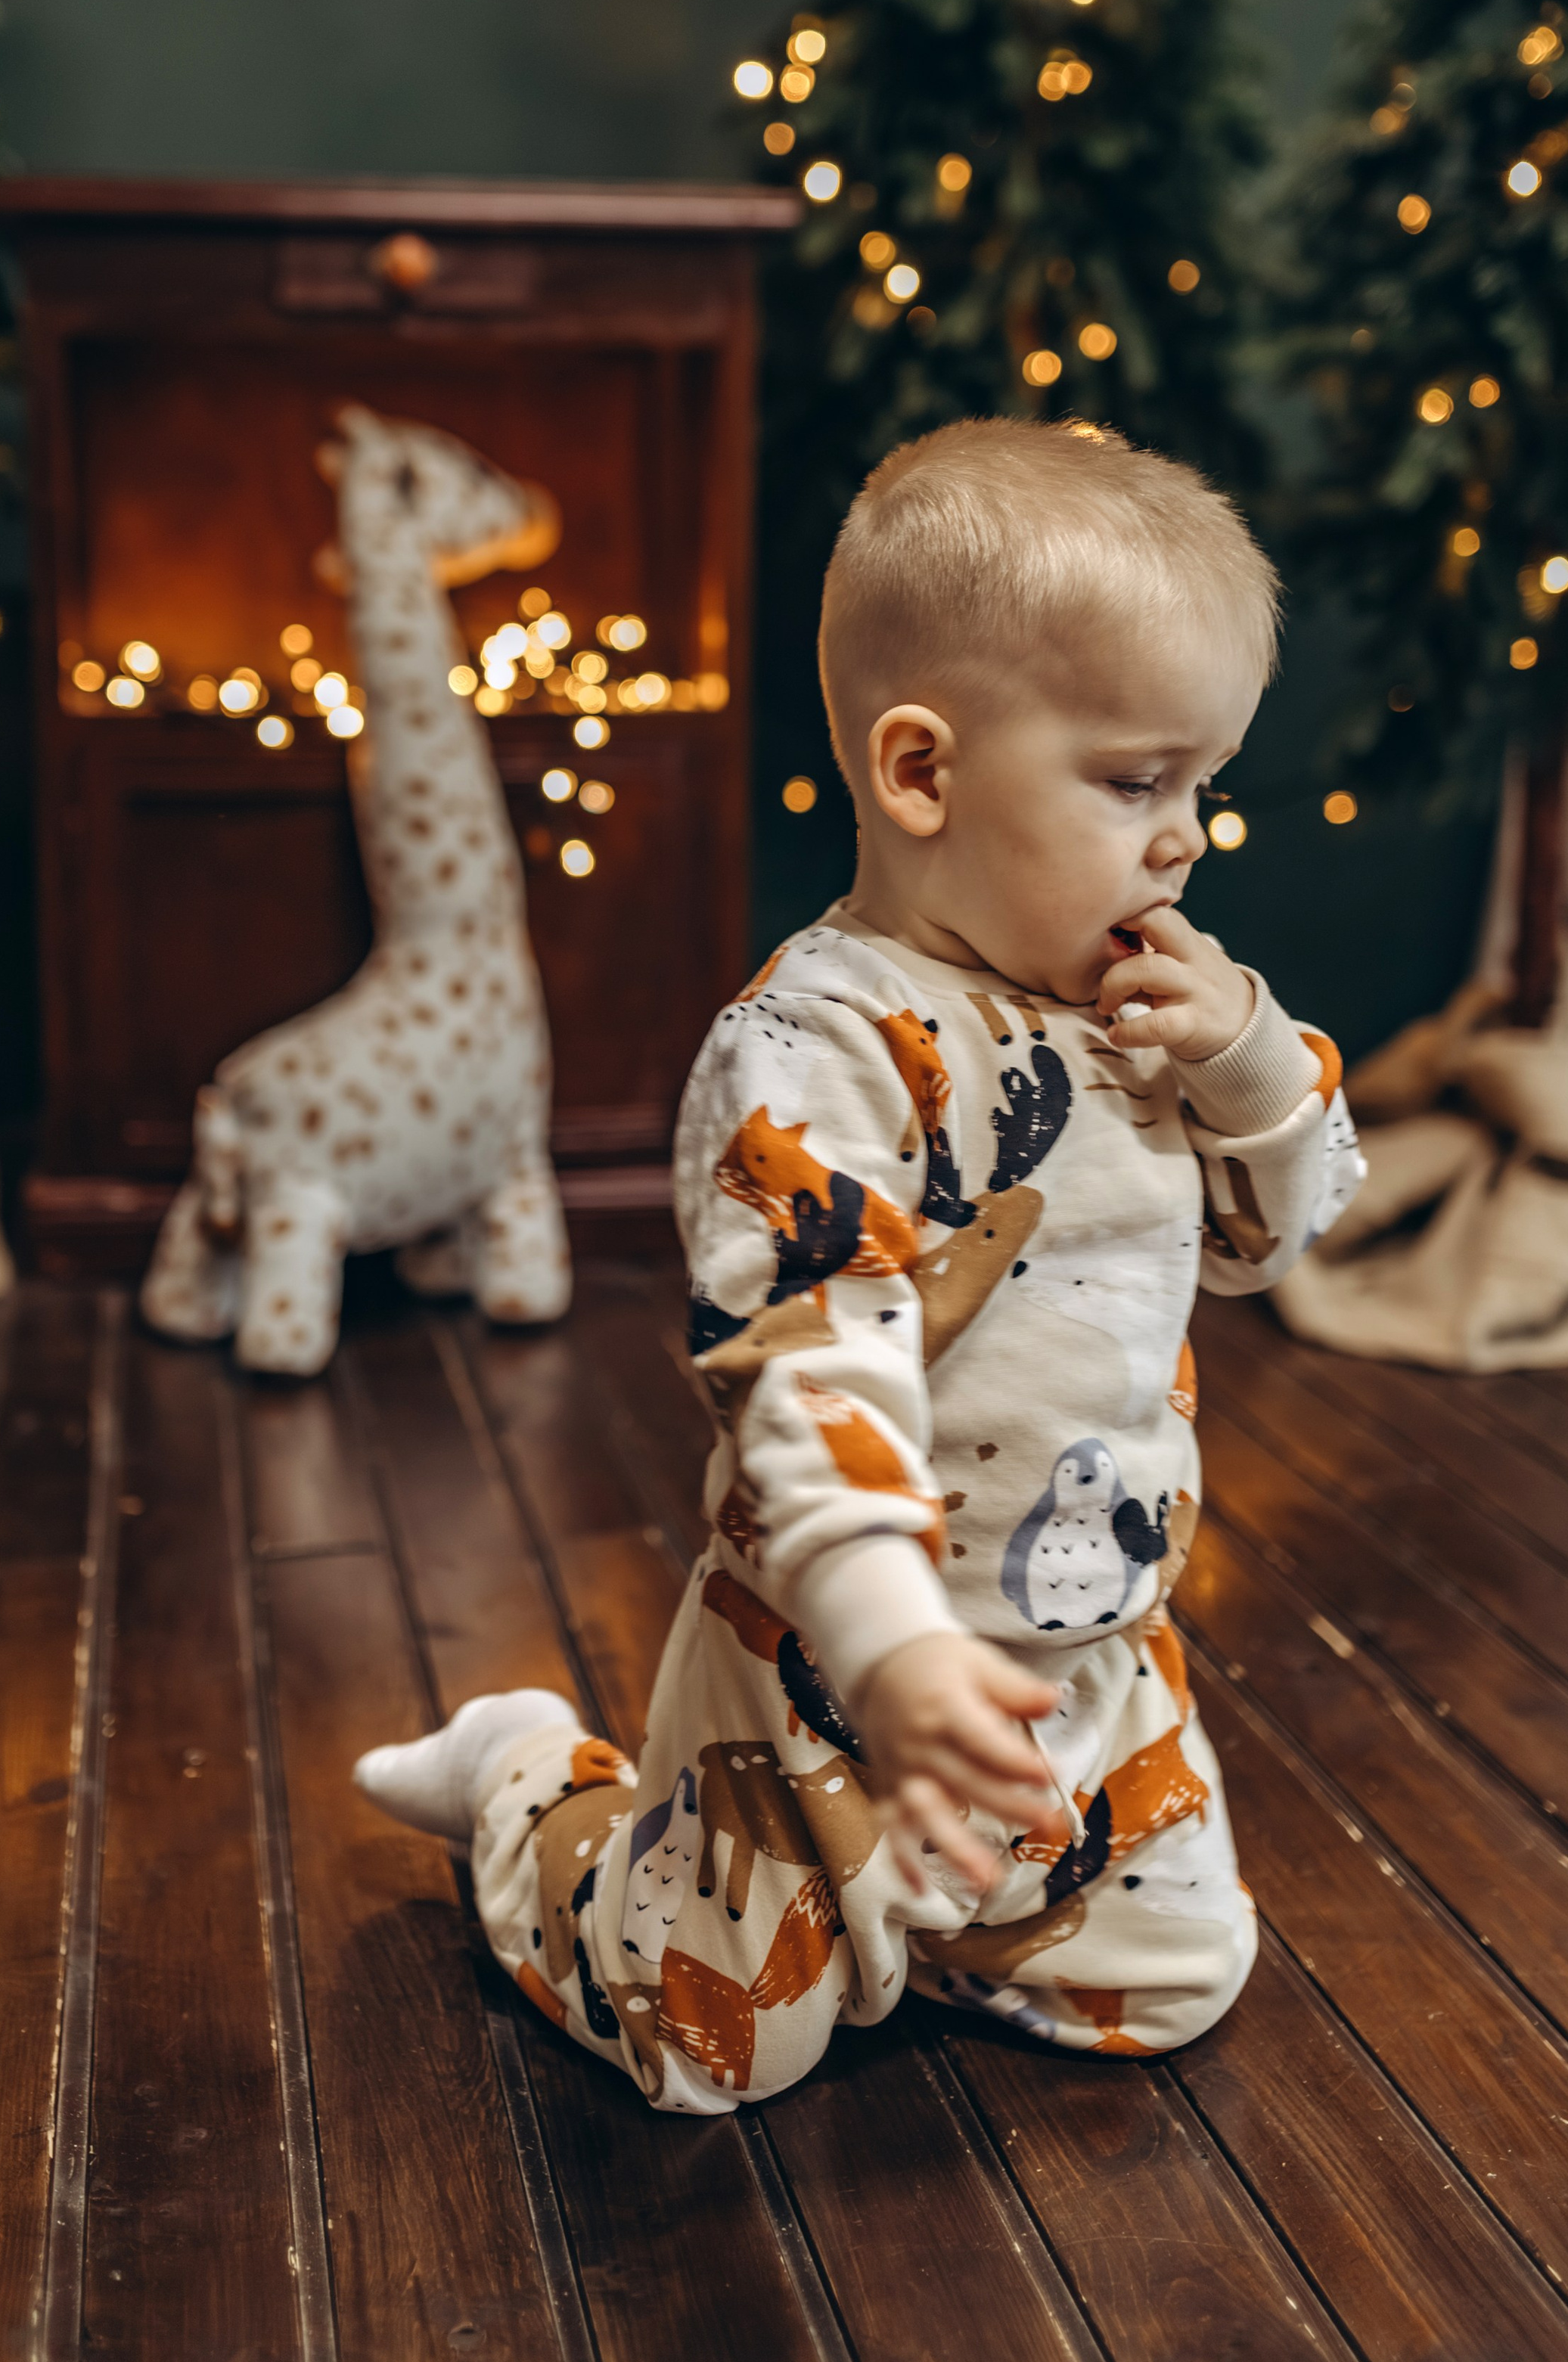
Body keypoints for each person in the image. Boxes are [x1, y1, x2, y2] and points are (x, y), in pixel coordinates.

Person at [354, 416, 1365, 2112]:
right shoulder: (814, 1052)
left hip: (1091, 1657)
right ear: (920, 774)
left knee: (1179, 1983)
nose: (1184, 839)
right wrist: (887, 1644)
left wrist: (1248, 1061)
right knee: (709, 2050)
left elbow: (1274, 1238)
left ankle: (937, 1924)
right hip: (825, 1675)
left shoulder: (1139, 1017)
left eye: (1200, 787)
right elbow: (807, 1356)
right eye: (1134, 783)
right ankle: (534, 1787)